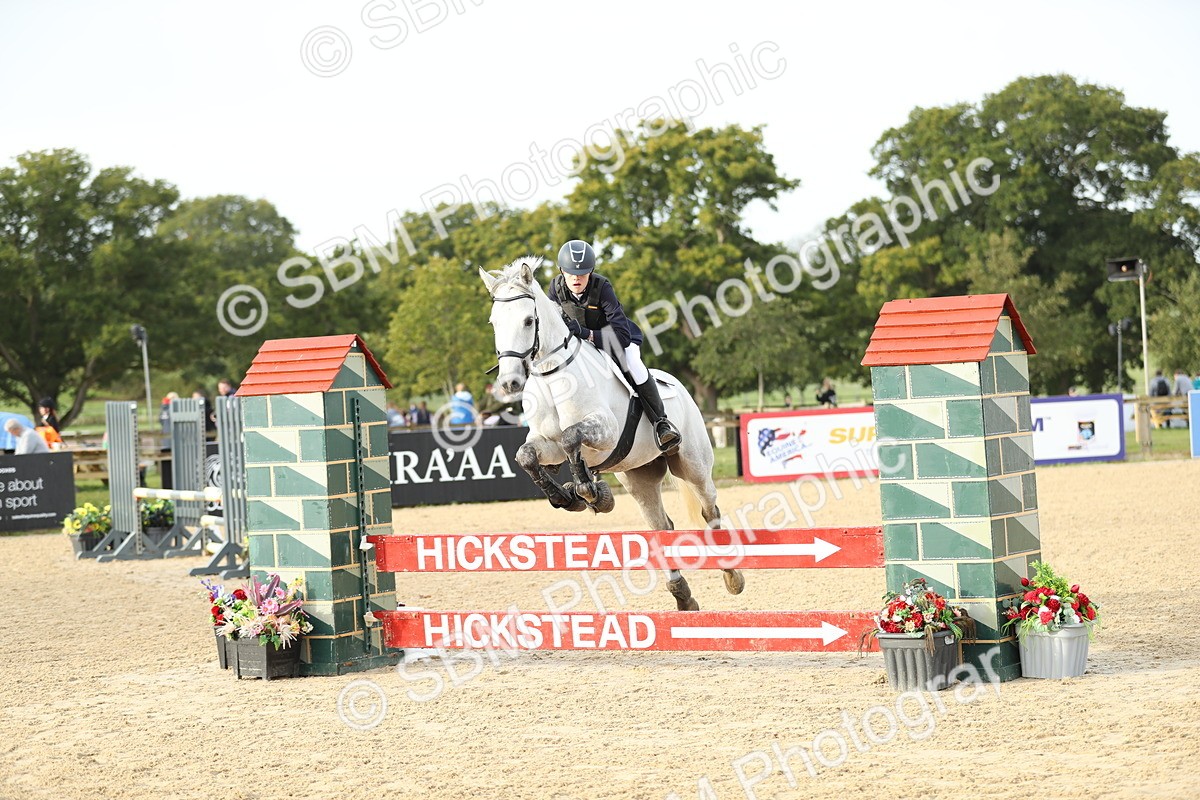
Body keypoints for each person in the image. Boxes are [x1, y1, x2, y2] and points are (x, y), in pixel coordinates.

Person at [548, 239, 681, 453]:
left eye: (582, 273)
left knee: (633, 365)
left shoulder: (602, 288)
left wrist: (587, 333)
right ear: (562, 270)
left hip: (616, 338)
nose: (576, 278)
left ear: (591, 271)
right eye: (571, 272)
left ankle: (661, 423)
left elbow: (622, 335)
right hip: (581, 345)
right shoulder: (555, 288)